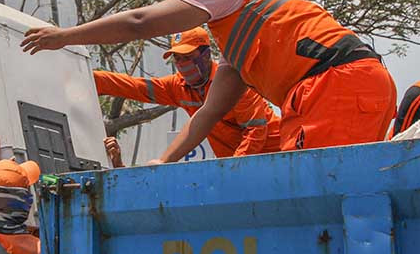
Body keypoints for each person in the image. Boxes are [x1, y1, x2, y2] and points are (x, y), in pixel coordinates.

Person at [21, 0, 397, 155]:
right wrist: (161, 162)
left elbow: (140, 22)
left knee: (327, 199)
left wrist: (65, 36)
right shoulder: (238, 50)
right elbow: (207, 114)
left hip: (335, 87)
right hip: (339, 89)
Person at [94, 27, 280, 159]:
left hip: (278, 155)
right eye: (178, 59)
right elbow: (135, 86)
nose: (183, 64)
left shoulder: (234, 84)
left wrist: (235, 168)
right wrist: (91, 79)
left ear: (206, 56)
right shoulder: (177, 87)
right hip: (237, 162)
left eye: (188, 58)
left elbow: (255, 131)